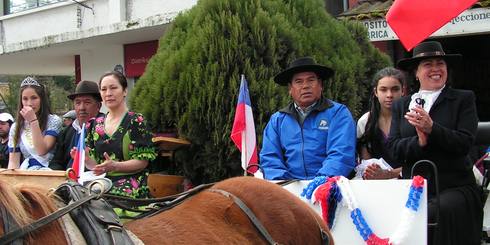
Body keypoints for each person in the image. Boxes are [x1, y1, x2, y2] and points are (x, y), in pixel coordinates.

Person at [387, 41, 482, 245]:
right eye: (428, 64)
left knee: (433, 212)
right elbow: (394, 148)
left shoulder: (462, 99)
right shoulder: (401, 105)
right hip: (413, 187)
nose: (436, 69)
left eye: (440, 63)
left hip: (453, 187)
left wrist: (433, 129)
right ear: (416, 72)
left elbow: (464, 143)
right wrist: (419, 142)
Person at [260, 57, 356, 180]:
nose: (305, 86)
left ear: (320, 85)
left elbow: (341, 155)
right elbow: (270, 158)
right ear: (290, 89)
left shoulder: (338, 113)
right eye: (299, 81)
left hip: (330, 186)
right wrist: (284, 184)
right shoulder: (277, 120)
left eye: (311, 80)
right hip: (289, 187)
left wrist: (319, 183)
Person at [79, 71, 156, 198]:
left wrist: (115, 166)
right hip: (101, 183)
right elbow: (96, 167)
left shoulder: (136, 121)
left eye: (113, 88)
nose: (108, 93)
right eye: (103, 89)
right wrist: (86, 158)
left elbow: (142, 162)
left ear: (125, 91)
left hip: (130, 183)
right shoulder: (93, 125)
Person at [357, 67, 405, 179]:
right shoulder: (365, 121)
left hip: (409, 181)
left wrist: (389, 174)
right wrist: (373, 172)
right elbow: (366, 163)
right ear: (376, 92)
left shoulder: (411, 119)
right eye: (383, 89)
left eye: (395, 89)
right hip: (376, 183)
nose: (389, 95)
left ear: (403, 91)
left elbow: (418, 161)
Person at [8, 77, 62, 170]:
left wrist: (33, 121)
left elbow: (42, 150)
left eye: (34, 98)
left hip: (49, 171)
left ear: (42, 99)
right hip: (27, 171)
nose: (29, 103)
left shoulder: (53, 121)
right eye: (25, 99)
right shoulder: (16, 127)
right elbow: (13, 162)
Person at [50, 80, 102, 170]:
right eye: (78, 103)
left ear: (98, 106)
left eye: (87, 102)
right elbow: (56, 162)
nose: (81, 108)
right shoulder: (66, 132)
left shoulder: (105, 128)